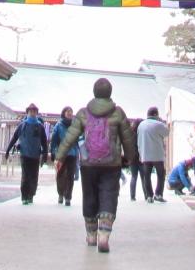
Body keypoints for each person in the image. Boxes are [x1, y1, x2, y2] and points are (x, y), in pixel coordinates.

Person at [53, 77, 137, 252]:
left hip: (88, 164)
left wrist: (59, 157)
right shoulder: (118, 113)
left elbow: (70, 136)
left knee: (89, 196)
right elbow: (127, 138)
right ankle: (104, 235)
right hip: (111, 164)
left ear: (94, 92)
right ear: (110, 93)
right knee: (109, 195)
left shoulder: (83, 113)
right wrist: (131, 157)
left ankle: (91, 235)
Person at [5, 103, 49, 205]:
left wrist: (45, 155)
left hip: (35, 155)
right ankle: (24, 196)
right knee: (25, 176)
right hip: (24, 154)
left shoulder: (40, 126)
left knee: (34, 176)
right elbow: (14, 138)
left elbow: (44, 142)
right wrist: (8, 150)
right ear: (27, 112)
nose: (32, 113)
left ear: (36, 113)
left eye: (34, 111)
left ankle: (31, 195)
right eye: (30, 111)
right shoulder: (22, 125)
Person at [135, 106, 168, 203]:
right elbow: (166, 132)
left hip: (145, 154)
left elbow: (138, 139)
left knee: (146, 175)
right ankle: (158, 194)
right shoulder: (158, 124)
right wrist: (162, 122)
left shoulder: (141, 125)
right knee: (161, 174)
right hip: (157, 154)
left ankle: (149, 195)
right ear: (155, 114)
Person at [49, 105, 79, 206]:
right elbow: (54, 140)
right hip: (61, 154)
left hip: (73, 154)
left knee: (70, 176)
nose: (70, 113)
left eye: (71, 111)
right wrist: (53, 152)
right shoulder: (59, 125)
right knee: (60, 175)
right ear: (64, 113)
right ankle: (60, 194)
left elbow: (80, 139)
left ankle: (68, 197)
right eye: (68, 111)